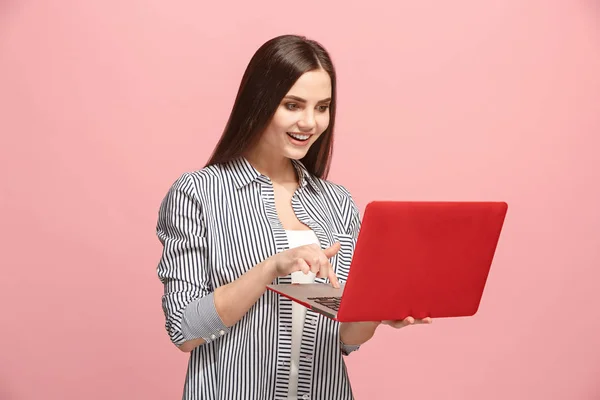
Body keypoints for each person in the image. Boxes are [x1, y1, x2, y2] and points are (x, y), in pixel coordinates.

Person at [155, 34, 431, 400]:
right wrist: (270, 268)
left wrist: (377, 311)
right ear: (259, 102)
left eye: (322, 107)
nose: (310, 122)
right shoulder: (198, 194)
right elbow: (184, 329)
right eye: (293, 104)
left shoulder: (336, 201)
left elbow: (345, 338)